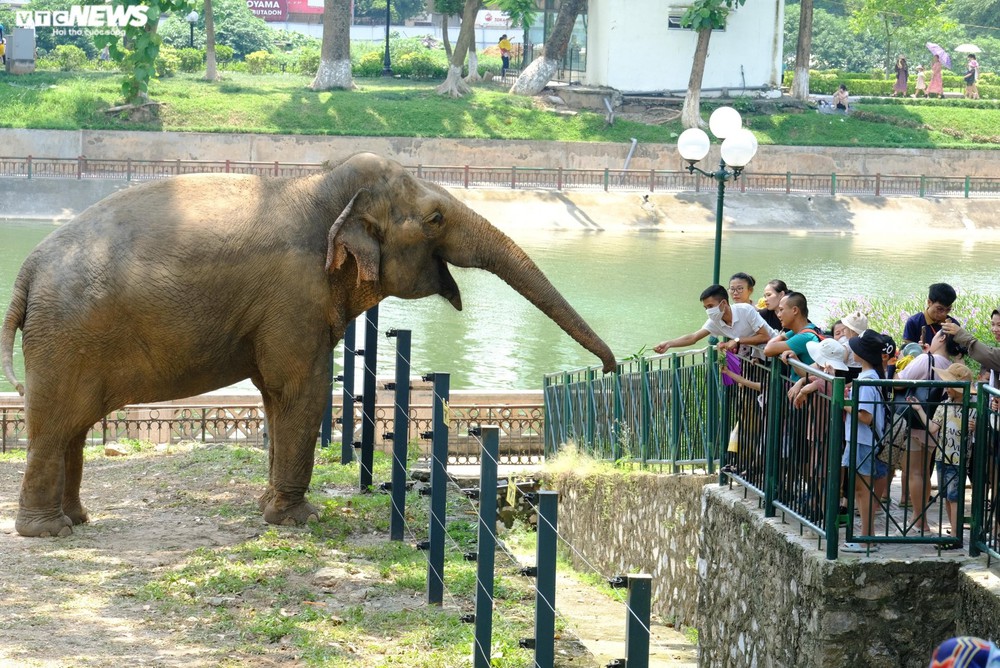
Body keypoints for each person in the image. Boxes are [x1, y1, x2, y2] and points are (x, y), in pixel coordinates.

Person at [907, 362, 975, 546]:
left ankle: (955, 535)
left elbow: (982, 430)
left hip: (958, 459)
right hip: (942, 457)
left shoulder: (974, 406)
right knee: (947, 496)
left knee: (954, 497)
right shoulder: (944, 405)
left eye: (949, 384)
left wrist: (976, 427)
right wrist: (919, 409)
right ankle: (953, 533)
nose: (946, 387)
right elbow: (932, 427)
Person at [841, 329, 890, 553]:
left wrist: (841, 402)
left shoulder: (868, 381)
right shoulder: (870, 377)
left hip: (863, 441)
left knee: (863, 491)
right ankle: (866, 536)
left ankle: (865, 539)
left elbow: (865, 416)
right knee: (863, 491)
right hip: (864, 441)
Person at [653, 284, 774, 354]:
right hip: (756, 357)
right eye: (706, 307)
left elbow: (765, 336)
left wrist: (737, 340)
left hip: (775, 350)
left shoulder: (745, 310)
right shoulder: (715, 321)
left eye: (710, 306)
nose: (708, 311)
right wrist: (669, 343)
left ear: (724, 303)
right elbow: (693, 337)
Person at [763, 292, 825, 378]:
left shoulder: (805, 337)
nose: (778, 315)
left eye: (781, 310)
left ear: (795, 310)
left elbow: (768, 350)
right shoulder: (809, 328)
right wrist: (782, 336)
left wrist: (781, 336)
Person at [902, 282, 960, 347]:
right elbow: (907, 349)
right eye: (940, 309)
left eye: (948, 310)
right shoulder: (913, 322)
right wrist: (918, 349)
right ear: (929, 302)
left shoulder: (953, 325)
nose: (944, 314)